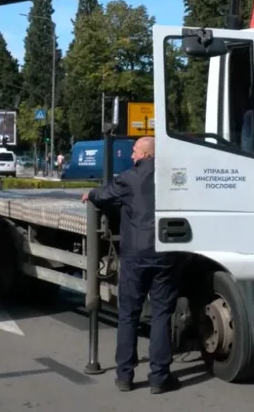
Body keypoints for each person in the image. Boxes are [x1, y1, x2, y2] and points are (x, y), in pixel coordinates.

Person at [80, 136, 180, 394]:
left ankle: (125, 376)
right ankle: (159, 377)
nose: (132, 154)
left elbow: (103, 196)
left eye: (135, 150)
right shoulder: (173, 176)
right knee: (161, 315)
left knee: (128, 315)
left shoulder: (129, 178)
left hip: (135, 254)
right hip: (164, 254)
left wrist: (90, 194)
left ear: (146, 154)